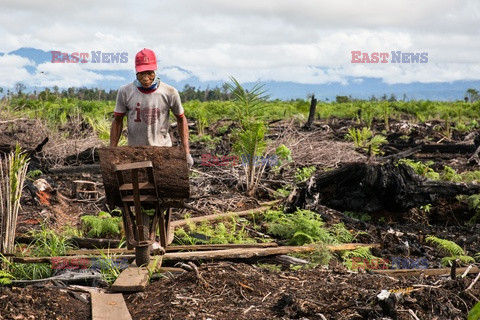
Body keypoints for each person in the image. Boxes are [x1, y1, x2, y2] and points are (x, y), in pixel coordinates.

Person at [110, 48, 194, 167]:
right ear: (136, 72)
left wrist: (186, 152)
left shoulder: (170, 92)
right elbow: (117, 121)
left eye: (149, 73)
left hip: (162, 150)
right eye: (142, 73)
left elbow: (181, 119)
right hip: (135, 152)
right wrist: (112, 152)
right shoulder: (125, 92)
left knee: (164, 184)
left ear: (155, 71)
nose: (145, 78)